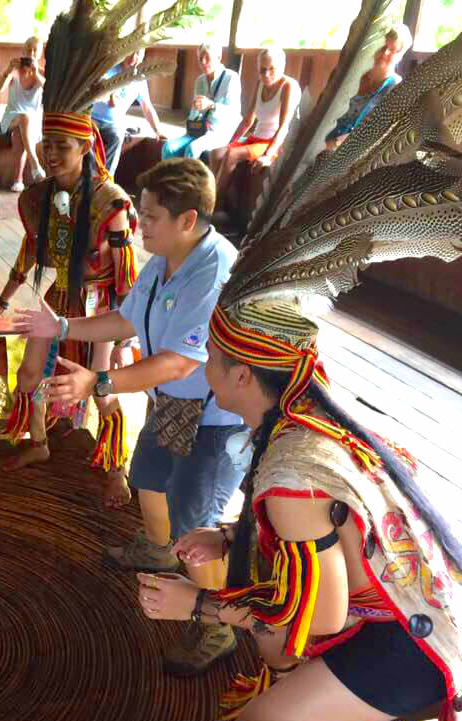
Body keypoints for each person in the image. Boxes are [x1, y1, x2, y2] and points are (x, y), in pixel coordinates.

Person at [134, 27, 462, 721]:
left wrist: (197, 601)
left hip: (421, 638)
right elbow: (315, 553)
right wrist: (229, 539)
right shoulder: (309, 414)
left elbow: (320, 613)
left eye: (215, 360)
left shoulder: (288, 470)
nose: (208, 368)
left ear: (242, 377)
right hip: (419, 603)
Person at [14, 158, 248, 677]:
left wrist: (97, 383)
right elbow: (126, 317)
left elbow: (181, 360)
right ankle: (161, 552)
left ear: (188, 220)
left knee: (196, 515)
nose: (140, 224)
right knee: (148, 476)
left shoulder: (211, 271)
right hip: (174, 399)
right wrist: (61, 326)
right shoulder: (165, 258)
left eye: (152, 216)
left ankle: (217, 626)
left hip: (216, 413)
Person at [0, 2, 148, 492]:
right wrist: (6, 294)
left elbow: (125, 279)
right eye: (47, 143)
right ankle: (38, 440)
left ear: (86, 147)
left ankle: (114, 467)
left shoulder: (110, 203)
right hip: (52, 295)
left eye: (63, 145)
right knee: (30, 375)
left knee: (101, 385)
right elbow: (33, 252)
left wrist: (126, 335)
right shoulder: (39, 196)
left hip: (98, 305)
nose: (50, 152)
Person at [209, 47, 300, 201]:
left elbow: (284, 127)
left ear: (282, 67)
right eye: (262, 70)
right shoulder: (261, 84)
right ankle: (220, 200)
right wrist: (231, 142)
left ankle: (213, 205)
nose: (266, 74)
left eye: (272, 69)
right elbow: (247, 120)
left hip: (274, 143)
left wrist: (267, 155)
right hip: (256, 139)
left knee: (232, 154)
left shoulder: (288, 86)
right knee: (216, 153)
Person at [324, 24, 411, 151]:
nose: (385, 53)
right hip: (325, 139)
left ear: (401, 55)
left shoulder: (396, 87)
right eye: (383, 47)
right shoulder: (354, 75)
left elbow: (379, 132)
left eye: (392, 50)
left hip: (355, 150)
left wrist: (335, 144)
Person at [91, 49, 167, 174]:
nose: (133, 58)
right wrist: (108, 96)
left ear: (142, 57)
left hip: (113, 123)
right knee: (88, 138)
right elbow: (98, 90)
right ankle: (89, 176)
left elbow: (147, 107)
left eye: (137, 54)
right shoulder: (110, 70)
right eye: (130, 53)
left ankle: (107, 177)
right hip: (94, 118)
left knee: (118, 135)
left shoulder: (140, 79)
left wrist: (157, 130)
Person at [162, 43, 242, 161]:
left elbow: (233, 114)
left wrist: (211, 105)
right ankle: (167, 179)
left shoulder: (231, 78)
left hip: (220, 131)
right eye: (200, 59)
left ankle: (188, 179)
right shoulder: (200, 81)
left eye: (207, 58)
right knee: (168, 147)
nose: (203, 62)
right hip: (200, 129)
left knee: (193, 148)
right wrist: (190, 126)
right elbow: (195, 112)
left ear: (218, 58)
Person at [0, 36, 45, 192]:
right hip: (11, 118)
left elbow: (50, 92)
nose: (31, 52)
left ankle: (18, 181)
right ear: (23, 51)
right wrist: (9, 70)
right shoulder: (14, 72)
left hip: (31, 124)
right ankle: (34, 161)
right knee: (24, 117)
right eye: (28, 49)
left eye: (35, 50)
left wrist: (36, 73)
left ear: (40, 54)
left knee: (19, 135)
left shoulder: (41, 75)